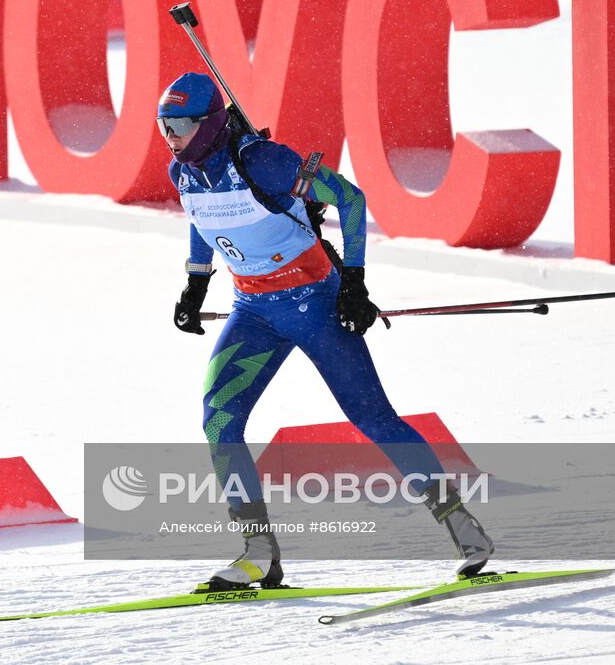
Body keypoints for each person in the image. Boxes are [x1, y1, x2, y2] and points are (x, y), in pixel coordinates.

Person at [158, 71, 493, 592]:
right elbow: (202, 223)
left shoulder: (263, 161)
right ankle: (257, 554)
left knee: (373, 418)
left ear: (209, 124)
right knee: (219, 422)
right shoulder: (184, 172)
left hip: (315, 303)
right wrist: (195, 287)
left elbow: (351, 199)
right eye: (164, 127)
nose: (171, 137)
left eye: (179, 125)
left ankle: (464, 530)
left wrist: (354, 284)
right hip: (253, 311)